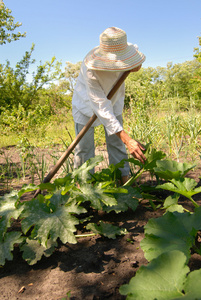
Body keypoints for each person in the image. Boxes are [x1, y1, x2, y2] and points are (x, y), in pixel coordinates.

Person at [72, 27, 146, 184]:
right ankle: (84, 191)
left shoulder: (124, 47)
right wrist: (128, 139)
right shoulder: (91, 68)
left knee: (117, 144)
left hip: (114, 102)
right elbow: (100, 105)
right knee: (84, 149)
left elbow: (137, 57)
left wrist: (135, 65)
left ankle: (123, 185)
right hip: (86, 106)